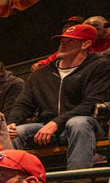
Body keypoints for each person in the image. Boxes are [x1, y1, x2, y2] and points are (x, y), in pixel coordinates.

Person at [8, 23, 110, 170]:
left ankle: (78, 182)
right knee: (15, 133)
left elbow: (93, 103)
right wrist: (12, 122)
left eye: (70, 41)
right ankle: (13, 182)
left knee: (77, 123)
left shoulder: (100, 66)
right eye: (62, 41)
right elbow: (23, 103)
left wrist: (57, 122)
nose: (63, 44)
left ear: (86, 44)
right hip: (47, 127)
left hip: (86, 126)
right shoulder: (40, 74)